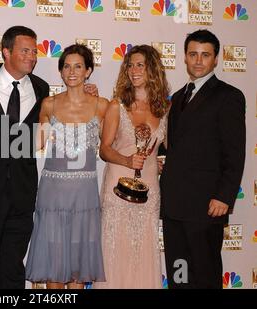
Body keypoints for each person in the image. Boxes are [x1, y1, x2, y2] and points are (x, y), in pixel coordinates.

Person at [0, 26, 98, 289]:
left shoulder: (41, 88)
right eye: (25, 51)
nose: (32, 57)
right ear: (6, 52)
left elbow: (58, 118)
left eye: (34, 52)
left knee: (13, 270)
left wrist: (87, 92)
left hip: (22, 195)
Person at [160, 30, 246, 289]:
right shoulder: (177, 98)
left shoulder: (228, 96)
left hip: (206, 204)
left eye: (205, 55)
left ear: (216, 59)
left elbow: (235, 151)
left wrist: (224, 196)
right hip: (175, 203)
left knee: (204, 273)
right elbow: (174, 145)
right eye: (193, 54)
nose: (198, 61)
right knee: (179, 272)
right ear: (185, 57)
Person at [25, 44, 107, 289]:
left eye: (78, 66)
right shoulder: (48, 104)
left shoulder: (102, 105)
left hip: (84, 195)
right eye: (67, 66)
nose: (72, 71)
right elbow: (36, 141)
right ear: (60, 72)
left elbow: (112, 145)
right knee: (54, 264)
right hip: (53, 194)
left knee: (78, 267)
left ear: (88, 71)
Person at [93, 45, 170, 289]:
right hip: (118, 190)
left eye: (140, 65)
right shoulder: (117, 106)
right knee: (115, 251)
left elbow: (174, 148)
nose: (133, 70)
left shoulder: (165, 110)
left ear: (153, 70)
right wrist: (127, 160)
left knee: (144, 251)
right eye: (130, 65)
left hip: (149, 193)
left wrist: (164, 163)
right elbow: (104, 149)